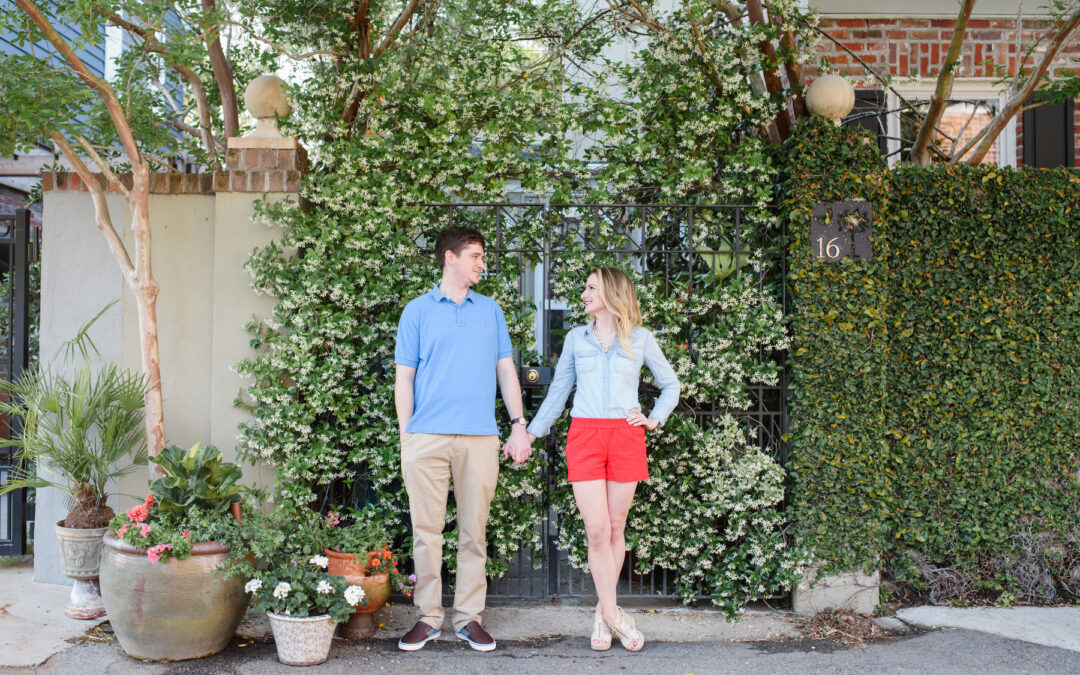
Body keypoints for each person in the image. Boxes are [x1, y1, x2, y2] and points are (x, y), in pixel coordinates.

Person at [526, 267, 680, 652]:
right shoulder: (576, 339)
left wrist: (654, 417)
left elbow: (671, 384)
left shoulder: (641, 339)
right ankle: (615, 617)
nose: (583, 293)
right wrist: (531, 432)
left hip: (626, 436)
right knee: (596, 531)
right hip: (586, 434)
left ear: (611, 293)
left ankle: (602, 613)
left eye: (591, 287)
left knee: (615, 526)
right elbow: (560, 389)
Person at [394, 226, 533, 653]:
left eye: (482, 255)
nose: (481, 262)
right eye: (474, 255)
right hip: (427, 438)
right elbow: (405, 377)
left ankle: (469, 619)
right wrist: (408, 438)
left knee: (475, 532)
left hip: (479, 439)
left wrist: (518, 423)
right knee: (426, 531)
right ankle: (428, 618)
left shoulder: (490, 309)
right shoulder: (416, 311)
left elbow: (506, 370)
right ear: (449, 258)